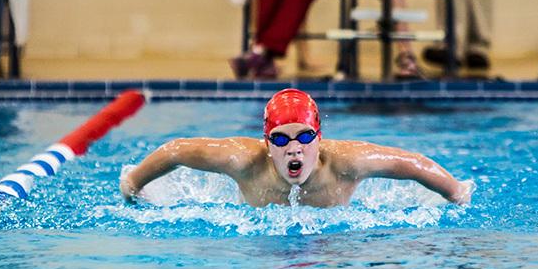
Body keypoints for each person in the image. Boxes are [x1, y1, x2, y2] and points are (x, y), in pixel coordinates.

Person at [120, 88, 472, 208]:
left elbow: (411, 163)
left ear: (319, 139)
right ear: (266, 142)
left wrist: (456, 193)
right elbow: (177, 150)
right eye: (281, 139)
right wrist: (133, 184)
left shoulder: (347, 163)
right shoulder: (242, 160)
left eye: (304, 137)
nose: (294, 149)